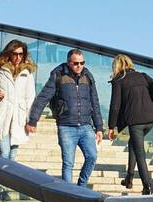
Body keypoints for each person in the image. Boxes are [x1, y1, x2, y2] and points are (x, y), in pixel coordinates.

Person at [27, 49, 104, 187]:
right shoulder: (58, 75)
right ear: (69, 62)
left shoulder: (88, 76)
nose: (79, 66)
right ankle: (69, 192)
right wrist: (33, 120)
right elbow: (43, 97)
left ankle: (81, 187)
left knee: (92, 156)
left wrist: (99, 127)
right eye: (75, 63)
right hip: (66, 126)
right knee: (68, 162)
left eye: (82, 63)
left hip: (86, 126)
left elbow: (94, 102)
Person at [0, 40, 37, 201]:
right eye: (15, 53)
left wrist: (31, 120)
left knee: (12, 156)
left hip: (18, 120)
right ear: (9, 53)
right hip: (2, 118)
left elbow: (30, 98)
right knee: (4, 153)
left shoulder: (27, 73)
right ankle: (1, 190)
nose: (18, 57)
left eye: (21, 54)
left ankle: (7, 187)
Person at [106, 54, 153, 195]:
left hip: (136, 122)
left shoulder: (118, 80)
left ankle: (147, 186)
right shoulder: (143, 76)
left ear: (116, 66)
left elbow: (115, 105)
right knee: (133, 143)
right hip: (150, 119)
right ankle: (129, 178)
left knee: (140, 154)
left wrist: (111, 126)